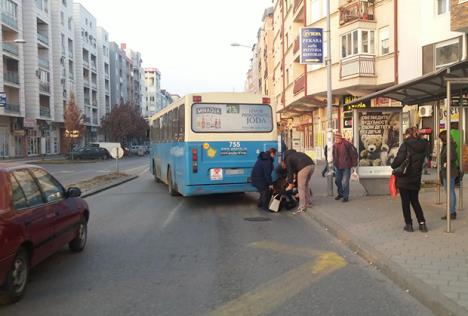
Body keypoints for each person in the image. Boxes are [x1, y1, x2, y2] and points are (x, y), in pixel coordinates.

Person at [391, 127, 428, 232]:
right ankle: (422, 224)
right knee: (415, 201)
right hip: (416, 177)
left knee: (405, 202)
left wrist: (393, 165)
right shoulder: (423, 145)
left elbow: (398, 160)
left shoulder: (406, 145)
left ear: (408, 134)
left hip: (404, 178)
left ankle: (409, 225)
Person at [283, 149, 315, 214]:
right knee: (306, 185)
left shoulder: (288, 158)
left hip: (303, 167)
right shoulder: (298, 154)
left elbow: (290, 172)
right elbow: (296, 171)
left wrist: (290, 184)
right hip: (312, 166)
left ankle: (302, 206)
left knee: (301, 187)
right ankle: (308, 202)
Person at [332, 132, 357, 202]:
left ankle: (345, 196)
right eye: (335, 138)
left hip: (346, 165)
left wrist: (354, 164)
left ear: (340, 138)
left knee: (345, 182)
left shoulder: (347, 144)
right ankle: (341, 193)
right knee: (337, 181)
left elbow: (354, 154)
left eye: (337, 138)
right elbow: (334, 155)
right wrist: (333, 163)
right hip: (337, 166)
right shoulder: (334, 145)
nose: (335, 139)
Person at [439, 130, 458, 220]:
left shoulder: (449, 146)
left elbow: (452, 157)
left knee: (450, 192)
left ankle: (451, 212)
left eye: (440, 138)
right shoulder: (447, 145)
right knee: (450, 192)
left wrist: (446, 163)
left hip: (449, 172)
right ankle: (452, 211)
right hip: (448, 171)